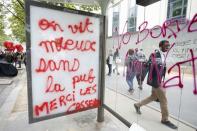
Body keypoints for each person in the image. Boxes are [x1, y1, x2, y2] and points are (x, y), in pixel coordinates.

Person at [134, 40, 178, 129]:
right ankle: (165, 119)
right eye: (166, 46)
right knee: (164, 100)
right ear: (161, 46)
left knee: (153, 97)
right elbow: (149, 66)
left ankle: (138, 105)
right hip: (156, 82)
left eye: (168, 46)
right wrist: (143, 79)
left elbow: (161, 68)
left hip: (158, 81)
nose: (167, 47)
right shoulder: (155, 54)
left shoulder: (162, 55)